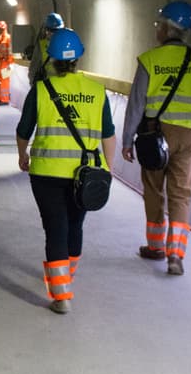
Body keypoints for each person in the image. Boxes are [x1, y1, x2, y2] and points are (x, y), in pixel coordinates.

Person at [16, 28, 116, 314]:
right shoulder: (97, 93)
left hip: (46, 172)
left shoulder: (41, 90)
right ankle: (66, 276)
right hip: (84, 174)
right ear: (78, 59)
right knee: (75, 225)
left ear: (51, 58)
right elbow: (108, 135)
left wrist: (22, 155)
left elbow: (24, 130)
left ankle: (61, 295)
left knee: (55, 228)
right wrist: (107, 170)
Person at [122, 0, 191, 276]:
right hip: (189, 135)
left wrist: (127, 140)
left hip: (156, 133)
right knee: (181, 195)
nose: (156, 29)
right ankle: (176, 255)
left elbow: (137, 103)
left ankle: (156, 246)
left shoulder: (150, 60)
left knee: (153, 189)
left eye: (158, 24)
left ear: (165, 29)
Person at [28, 12, 65, 85]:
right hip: (53, 88)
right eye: (52, 31)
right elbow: (33, 69)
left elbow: (33, 70)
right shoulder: (69, 44)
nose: (53, 33)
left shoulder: (42, 45)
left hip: (55, 87)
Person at [0, 21, 14, 105]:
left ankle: (5, 100)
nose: (1, 29)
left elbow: (10, 51)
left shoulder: (8, 38)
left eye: (2, 27)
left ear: (5, 27)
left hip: (6, 62)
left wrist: (10, 63)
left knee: (5, 81)